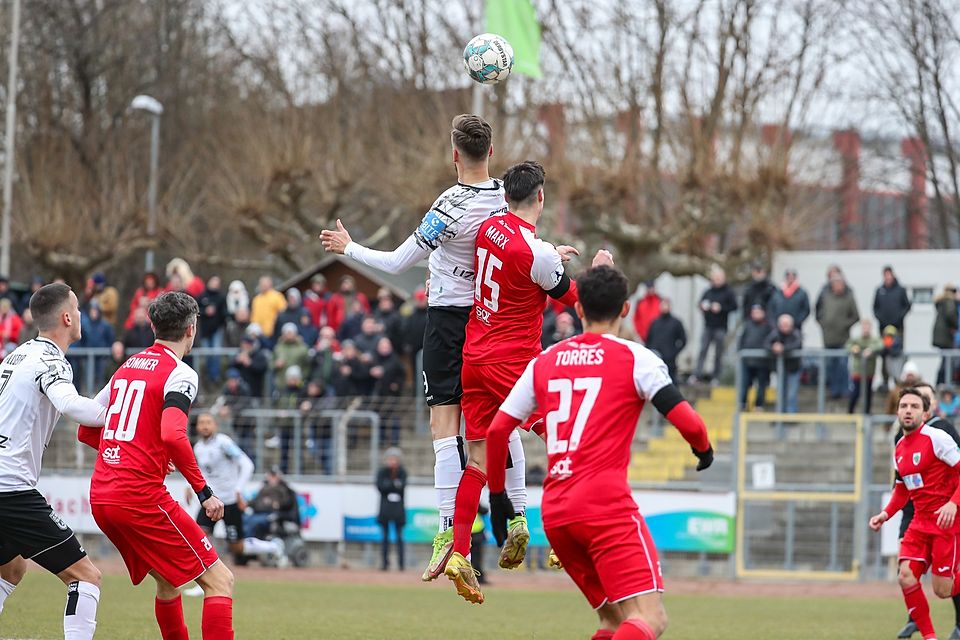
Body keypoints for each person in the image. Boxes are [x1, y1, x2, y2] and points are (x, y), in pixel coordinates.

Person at [320, 114, 510, 581]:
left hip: (448, 320)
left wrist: (350, 248)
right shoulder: (505, 195)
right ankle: (514, 515)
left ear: (453, 154)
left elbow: (399, 260)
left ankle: (447, 530)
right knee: (490, 426)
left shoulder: (451, 204)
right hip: (493, 319)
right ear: (490, 152)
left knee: (443, 424)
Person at [485, 265, 713, 637]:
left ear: (578, 309)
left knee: (614, 619)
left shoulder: (544, 361)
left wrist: (499, 499)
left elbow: (497, 432)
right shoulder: (637, 358)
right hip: (604, 507)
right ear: (625, 310)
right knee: (650, 618)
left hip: (557, 512)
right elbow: (691, 424)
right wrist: (703, 450)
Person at [446, 161, 602, 600]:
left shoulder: (491, 227)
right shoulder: (539, 255)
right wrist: (597, 269)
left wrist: (550, 253)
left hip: (473, 357)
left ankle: (459, 554)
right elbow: (577, 300)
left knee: (477, 458)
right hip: (513, 364)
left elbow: (519, 252)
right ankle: (561, 540)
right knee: (563, 435)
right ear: (541, 197)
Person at [79, 291, 235, 640]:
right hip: (138, 497)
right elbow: (174, 435)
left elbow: (86, 428)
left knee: (168, 582)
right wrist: (205, 492)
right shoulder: (180, 373)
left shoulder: (126, 367)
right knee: (220, 580)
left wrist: (137, 452)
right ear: (191, 329)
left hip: (102, 497)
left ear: (152, 325)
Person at [0, 284, 109, 639]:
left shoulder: (17, 355)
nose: (80, 316)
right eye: (77, 310)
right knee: (86, 576)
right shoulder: (51, 361)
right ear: (66, 317)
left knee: (11, 568)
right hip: (11, 490)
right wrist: (125, 411)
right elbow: (76, 407)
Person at [869, 387, 960, 640]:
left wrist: (953, 503)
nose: (908, 410)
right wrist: (885, 515)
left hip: (946, 521)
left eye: (914, 406)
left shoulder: (937, 438)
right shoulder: (899, 446)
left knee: (943, 590)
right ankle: (930, 637)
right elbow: (901, 490)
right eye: (903, 406)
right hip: (919, 522)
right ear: (897, 411)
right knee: (906, 576)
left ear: (925, 412)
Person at [186, 413, 282, 580]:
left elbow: (246, 464)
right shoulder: (198, 448)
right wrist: (189, 486)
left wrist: (238, 489)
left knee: (237, 547)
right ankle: (207, 580)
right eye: (201, 423)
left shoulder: (224, 443)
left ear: (215, 425)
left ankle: (273, 547)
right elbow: (201, 472)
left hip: (230, 501)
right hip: (211, 500)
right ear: (197, 427)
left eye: (208, 422)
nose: (205, 426)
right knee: (199, 536)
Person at [815, 273, 859, 399]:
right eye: (835, 283)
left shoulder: (849, 297)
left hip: (843, 339)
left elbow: (855, 316)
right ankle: (833, 391)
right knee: (830, 366)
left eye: (839, 283)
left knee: (842, 365)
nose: (837, 286)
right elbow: (818, 312)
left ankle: (844, 390)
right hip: (828, 338)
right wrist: (824, 324)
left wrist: (844, 324)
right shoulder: (825, 296)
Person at [693, 266, 737, 384]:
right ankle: (697, 375)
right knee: (703, 350)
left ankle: (716, 376)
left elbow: (734, 306)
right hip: (708, 326)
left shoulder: (728, 292)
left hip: (721, 327)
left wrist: (721, 308)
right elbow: (700, 304)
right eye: (715, 278)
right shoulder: (708, 291)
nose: (717, 280)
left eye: (719, 278)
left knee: (718, 353)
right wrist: (703, 307)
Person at [376, 447, 407, 572]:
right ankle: (384, 563)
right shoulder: (382, 472)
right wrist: (393, 485)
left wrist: (389, 485)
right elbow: (381, 487)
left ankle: (401, 564)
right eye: (391, 459)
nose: (393, 461)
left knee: (399, 537)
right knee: (385, 537)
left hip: (398, 509)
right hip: (385, 509)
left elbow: (402, 487)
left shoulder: (402, 472)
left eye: (395, 459)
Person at [246, 467, 298, 541]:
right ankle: (241, 544)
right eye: (271, 475)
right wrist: (246, 504)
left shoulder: (283, 489)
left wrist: (277, 504)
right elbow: (255, 501)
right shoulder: (264, 487)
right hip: (258, 512)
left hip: (271, 514)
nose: (272, 478)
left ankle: (248, 544)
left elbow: (287, 503)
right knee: (245, 519)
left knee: (254, 522)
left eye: (274, 476)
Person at [766, 314, 802, 413]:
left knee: (791, 394)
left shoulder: (796, 333)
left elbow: (797, 345)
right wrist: (773, 347)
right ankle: (779, 415)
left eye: (786, 325)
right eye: (782, 325)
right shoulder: (775, 333)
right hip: (781, 369)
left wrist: (783, 348)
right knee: (780, 393)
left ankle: (791, 416)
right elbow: (766, 344)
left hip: (793, 368)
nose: (784, 327)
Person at [644, 297, 686, 384]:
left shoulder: (676, 323)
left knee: (671, 383)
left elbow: (683, 340)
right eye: (663, 305)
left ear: (670, 307)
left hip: (669, 361)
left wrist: (673, 353)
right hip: (655, 360)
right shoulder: (654, 322)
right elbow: (648, 340)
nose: (665, 307)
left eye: (667, 305)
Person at [738, 305, 772, 410]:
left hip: (762, 362)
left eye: (758, 312)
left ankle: (759, 405)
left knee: (761, 385)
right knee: (744, 384)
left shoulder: (768, 326)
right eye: (754, 312)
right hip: (747, 361)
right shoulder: (747, 325)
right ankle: (743, 404)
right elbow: (741, 341)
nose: (756, 314)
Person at [847, 319, 883, 414]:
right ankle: (850, 412)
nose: (866, 329)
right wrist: (853, 348)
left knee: (868, 394)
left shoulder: (874, 340)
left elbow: (880, 345)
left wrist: (871, 350)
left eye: (868, 327)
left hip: (869, 372)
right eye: (864, 327)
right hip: (858, 372)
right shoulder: (857, 340)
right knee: (856, 392)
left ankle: (867, 412)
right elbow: (848, 345)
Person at [198, 276, 229, 384]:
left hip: (217, 330)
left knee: (216, 354)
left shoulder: (221, 297)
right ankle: (206, 376)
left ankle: (215, 376)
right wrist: (205, 311)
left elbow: (224, 314)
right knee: (207, 355)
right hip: (205, 331)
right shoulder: (202, 296)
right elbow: (196, 312)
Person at [874, 265, 912, 349]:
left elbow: (907, 306)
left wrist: (899, 317)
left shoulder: (900, 290)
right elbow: (875, 308)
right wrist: (881, 319)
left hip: (898, 327)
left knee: (897, 350)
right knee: (884, 349)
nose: (887, 277)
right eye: (885, 275)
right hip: (883, 327)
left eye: (889, 275)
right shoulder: (879, 290)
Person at [934, 284, 959, 385]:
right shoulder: (949, 302)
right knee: (947, 362)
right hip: (947, 338)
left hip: (943, 338)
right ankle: (943, 383)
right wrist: (955, 326)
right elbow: (950, 316)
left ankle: (942, 382)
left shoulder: (943, 301)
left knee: (946, 361)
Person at [251, 276, 287, 344]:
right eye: (261, 284)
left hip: (273, 333)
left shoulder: (277, 297)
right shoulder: (256, 299)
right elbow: (254, 316)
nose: (263, 286)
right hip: (258, 334)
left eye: (265, 284)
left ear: (270, 284)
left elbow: (283, 313)